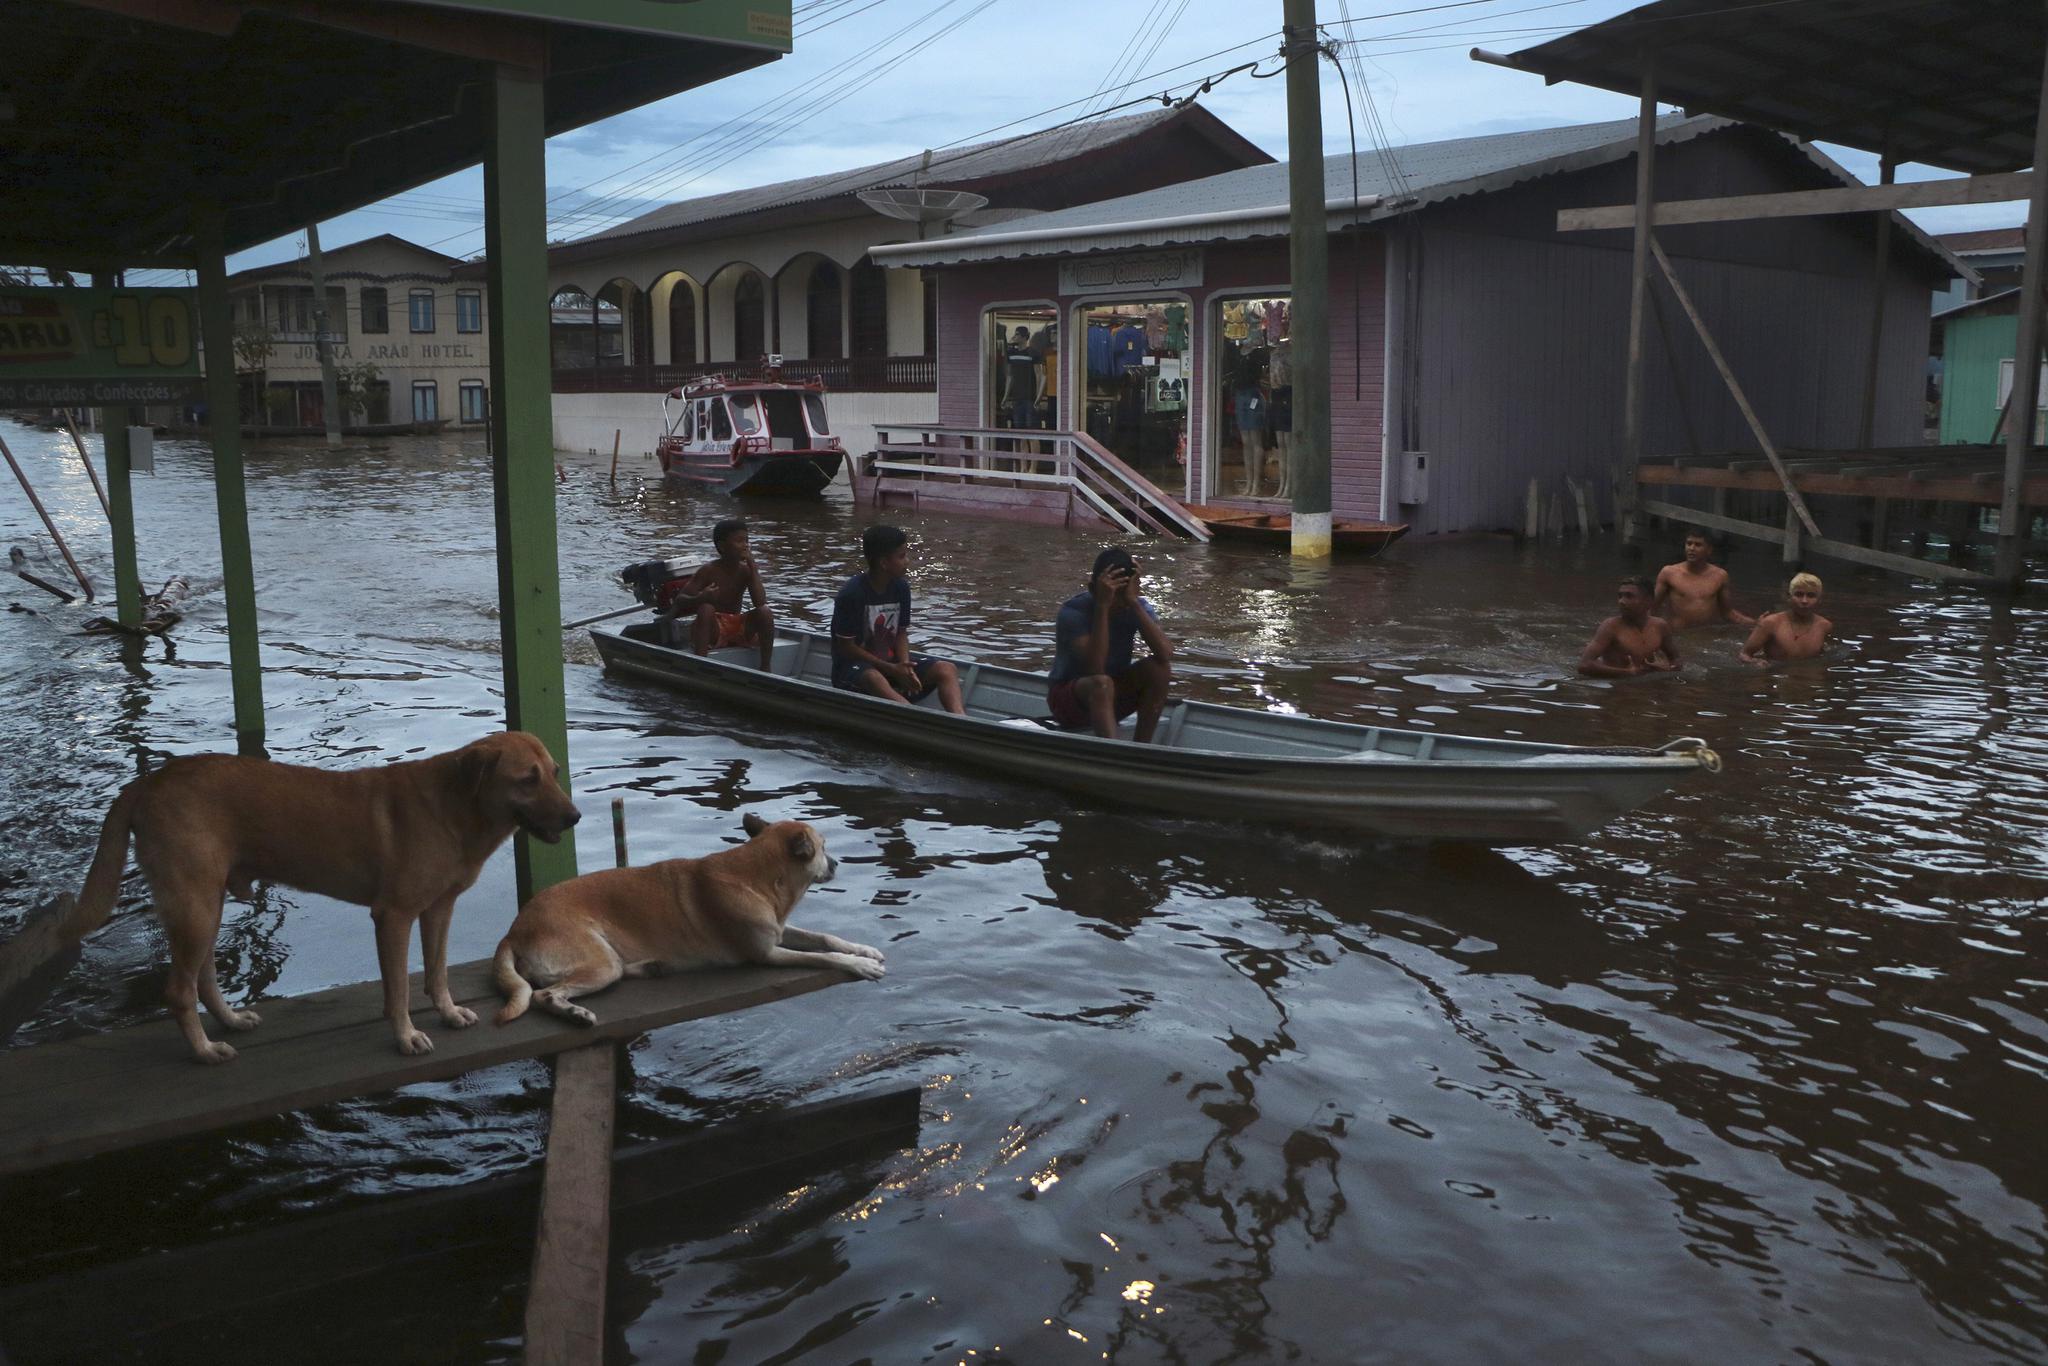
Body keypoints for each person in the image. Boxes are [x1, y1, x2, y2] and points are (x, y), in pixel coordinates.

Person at [831, 524, 965, 713]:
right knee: (874, 678)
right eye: (901, 556)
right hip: (853, 672)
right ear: (884, 563)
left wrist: (905, 667)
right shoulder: (852, 594)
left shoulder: (901, 588)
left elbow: (901, 632)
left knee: (947, 669)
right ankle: (916, 720)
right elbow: (846, 647)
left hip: (891, 665)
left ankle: (961, 721)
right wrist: (891, 669)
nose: (907, 561)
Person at [1047, 546, 1174, 742]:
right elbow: (1095, 668)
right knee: (1102, 683)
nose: (1120, 605)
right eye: (1115, 597)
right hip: (1069, 703)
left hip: (1112, 697)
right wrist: (1103, 607)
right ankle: (1115, 754)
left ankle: (1142, 750)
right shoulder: (1073, 612)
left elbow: (1165, 654)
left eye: (1124, 597)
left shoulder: (1134, 605)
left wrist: (1133, 603)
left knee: (1159, 669)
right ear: (1093, 590)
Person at [655, 518, 776, 669]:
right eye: (739, 541)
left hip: (736, 626)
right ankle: (700, 665)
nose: (745, 545)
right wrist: (701, 598)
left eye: (747, 541)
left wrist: (753, 568)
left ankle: (765, 667)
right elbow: (680, 600)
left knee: (765, 611)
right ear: (722, 546)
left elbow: (759, 602)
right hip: (714, 629)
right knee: (707, 608)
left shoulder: (746, 571)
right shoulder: (709, 570)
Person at [1578, 575, 1681, 678]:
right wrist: (1626, 673)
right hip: (1617, 688)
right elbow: (1584, 665)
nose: (1621, 601)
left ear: (1648, 601)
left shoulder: (1660, 626)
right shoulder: (1610, 626)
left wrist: (1666, 669)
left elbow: (1676, 660)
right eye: (1620, 596)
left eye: (1629, 596)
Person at [1653, 529, 1754, 628]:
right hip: (1678, 635)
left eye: (1698, 545)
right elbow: (1651, 608)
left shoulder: (1720, 576)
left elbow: (1728, 613)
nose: (1691, 548)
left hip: (1705, 636)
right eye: (1689, 543)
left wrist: (1757, 623)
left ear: (1709, 550)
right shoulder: (1669, 573)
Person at [1739, 572, 1833, 664]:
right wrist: (1755, 662)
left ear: (1819, 599)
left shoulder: (1825, 626)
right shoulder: (1770, 623)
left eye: (1811, 595)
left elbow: (1826, 656)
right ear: (1789, 597)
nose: (1804, 601)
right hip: (1776, 676)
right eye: (1799, 595)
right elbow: (1744, 654)